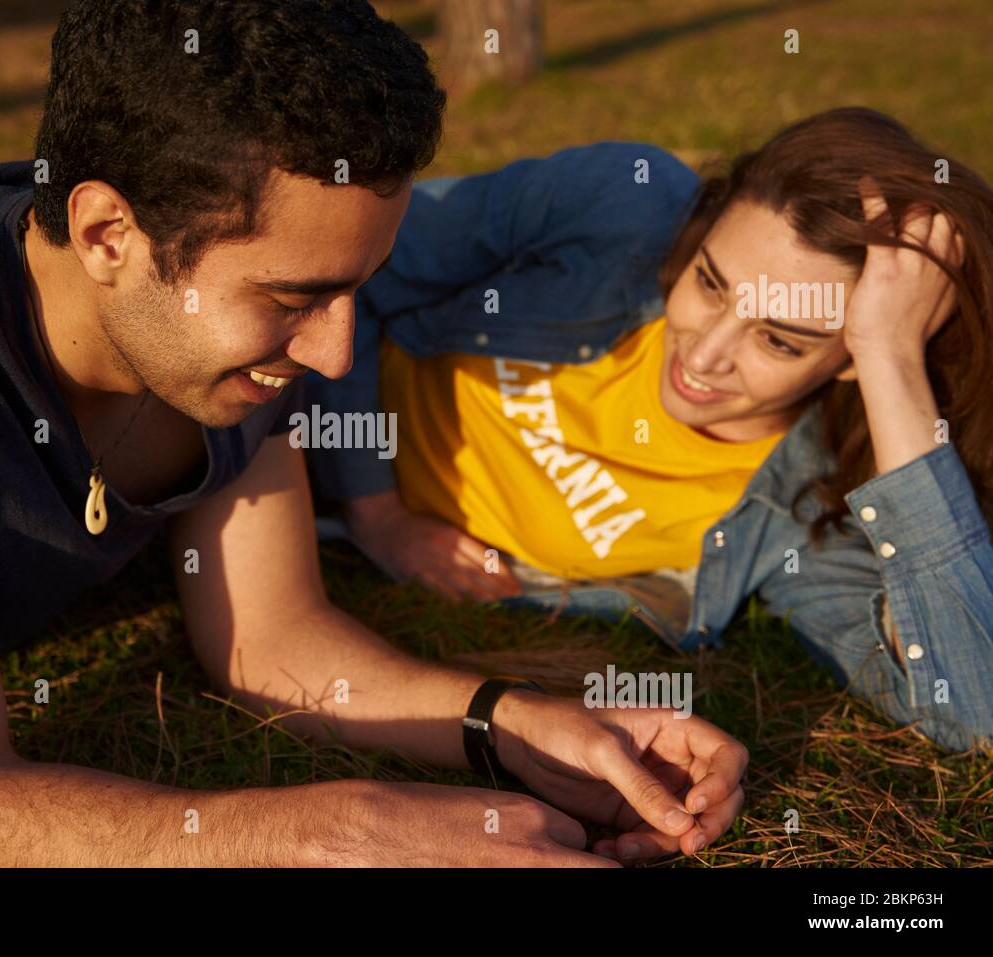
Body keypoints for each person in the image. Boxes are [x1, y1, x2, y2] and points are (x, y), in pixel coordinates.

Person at [0, 0, 747, 866]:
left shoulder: (215, 343)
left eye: (355, 293)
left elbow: (272, 639)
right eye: (296, 297)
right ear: (109, 233)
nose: (336, 355)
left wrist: (512, 726)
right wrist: (330, 831)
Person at [307, 107, 993, 754]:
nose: (704, 354)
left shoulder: (795, 517)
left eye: (780, 341)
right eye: (711, 283)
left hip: (295, 523)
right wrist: (378, 510)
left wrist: (892, 358)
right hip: (271, 392)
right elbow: (344, 263)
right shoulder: (617, 209)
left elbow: (968, 709)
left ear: (851, 358)